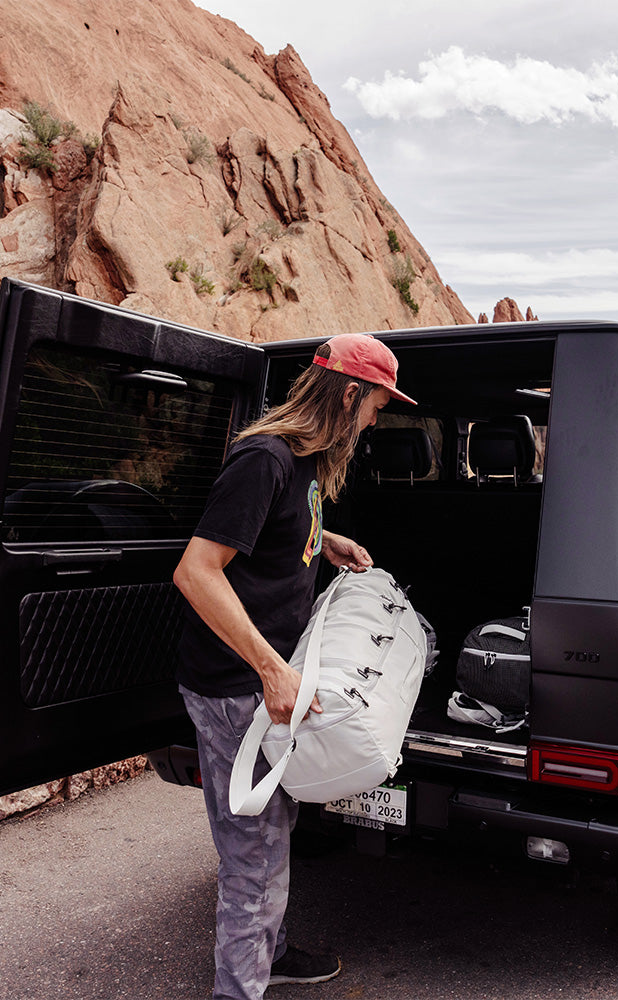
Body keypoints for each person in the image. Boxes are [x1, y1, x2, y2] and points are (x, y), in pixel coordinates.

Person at [173, 333, 417, 1000]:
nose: (374, 422)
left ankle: (270, 954)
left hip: (266, 679)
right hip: (235, 686)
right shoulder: (265, 457)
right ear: (348, 394)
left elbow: (266, 529)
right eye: (375, 407)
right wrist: (270, 669)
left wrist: (321, 539)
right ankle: (239, 989)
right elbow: (196, 572)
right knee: (253, 858)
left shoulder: (303, 461)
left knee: (271, 832)